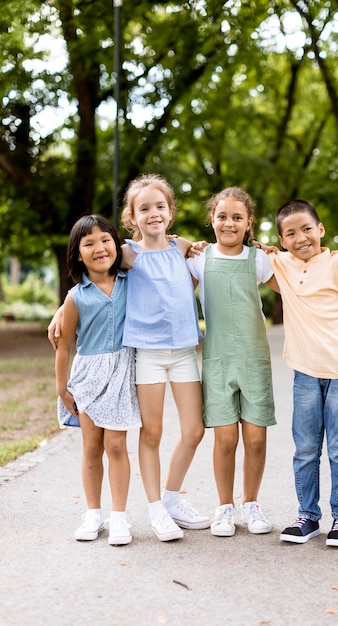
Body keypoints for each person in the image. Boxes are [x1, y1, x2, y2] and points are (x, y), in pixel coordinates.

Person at [268, 199, 338, 548]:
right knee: (306, 448)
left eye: (307, 228)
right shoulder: (280, 263)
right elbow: (245, 250)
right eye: (291, 233)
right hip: (305, 374)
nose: (301, 237)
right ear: (282, 240)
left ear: (321, 229)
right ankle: (307, 516)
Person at [119, 174, 210, 541]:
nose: (153, 213)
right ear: (132, 217)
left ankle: (171, 499)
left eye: (159, 206)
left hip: (185, 351)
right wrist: (65, 308)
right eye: (144, 208)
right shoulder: (127, 252)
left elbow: (212, 262)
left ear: (170, 212)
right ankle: (156, 509)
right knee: (152, 432)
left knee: (194, 430)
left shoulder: (182, 247)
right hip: (149, 354)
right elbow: (93, 275)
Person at [187, 187, 279, 537]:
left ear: (249, 223)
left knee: (255, 438)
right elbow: (169, 287)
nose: (229, 223)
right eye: (222, 216)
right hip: (218, 358)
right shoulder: (198, 259)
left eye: (237, 217)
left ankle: (251, 503)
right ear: (212, 219)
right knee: (225, 438)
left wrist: (327, 257)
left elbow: (296, 286)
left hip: (254, 358)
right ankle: (224, 506)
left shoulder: (259, 260)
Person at [55, 215, 141, 546]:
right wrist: (62, 388)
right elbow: (64, 346)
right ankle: (93, 513)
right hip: (88, 376)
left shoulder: (131, 280)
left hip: (122, 370)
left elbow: (147, 248)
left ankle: (119, 517)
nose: (98, 248)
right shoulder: (76, 297)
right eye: (87, 243)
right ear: (77, 255)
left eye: (105, 240)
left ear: (115, 244)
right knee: (92, 447)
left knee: (116, 445)